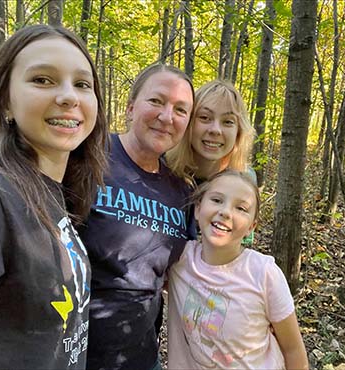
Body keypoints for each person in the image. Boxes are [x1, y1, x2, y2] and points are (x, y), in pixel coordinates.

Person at [0, 24, 108, 369]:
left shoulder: (54, 193)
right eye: (43, 80)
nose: (69, 96)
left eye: (82, 84)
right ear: (5, 100)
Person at [79, 63, 196, 370]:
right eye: (156, 101)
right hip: (72, 355)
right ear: (131, 108)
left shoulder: (182, 190)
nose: (166, 117)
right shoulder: (87, 155)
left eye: (180, 110)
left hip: (141, 357)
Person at [167, 169, 309, 369]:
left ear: (252, 226)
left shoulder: (264, 273)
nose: (225, 212)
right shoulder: (178, 259)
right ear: (198, 209)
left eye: (241, 208)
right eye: (217, 200)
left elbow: (293, 349)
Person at [166, 79, 255, 185]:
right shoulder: (160, 169)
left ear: (238, 132)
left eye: (227, 121)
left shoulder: (244, 181)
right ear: (189, 123)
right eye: (204, 117)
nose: (215, 130)